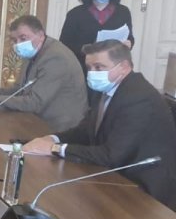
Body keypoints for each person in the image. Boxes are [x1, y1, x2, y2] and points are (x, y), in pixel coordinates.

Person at [22, 40, 176, 210]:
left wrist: (55, 149)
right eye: (89, 67)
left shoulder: (138, 98)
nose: (92, 73)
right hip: (115, 176)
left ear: (124, 67)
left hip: (145, 191)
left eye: (99, 67)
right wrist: (52, 139)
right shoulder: (107, 88)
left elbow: (111, 155)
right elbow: (85, 131)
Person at [0, 15, 87, 132]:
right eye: (14, 40)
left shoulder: (56, 58)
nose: (18, 44)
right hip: (35, 122)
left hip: (59, 129)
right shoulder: (33, 52)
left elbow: (35, 102)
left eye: (23, 38)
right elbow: (19, 90)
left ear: (40, 35)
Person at [59, 0, 134, 73]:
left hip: (113, 69)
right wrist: (86, 49)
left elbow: (129, 37)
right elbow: (65, 44)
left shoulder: (123, 12)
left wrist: (129, 43)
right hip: (82, 68)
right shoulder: (75, 14)